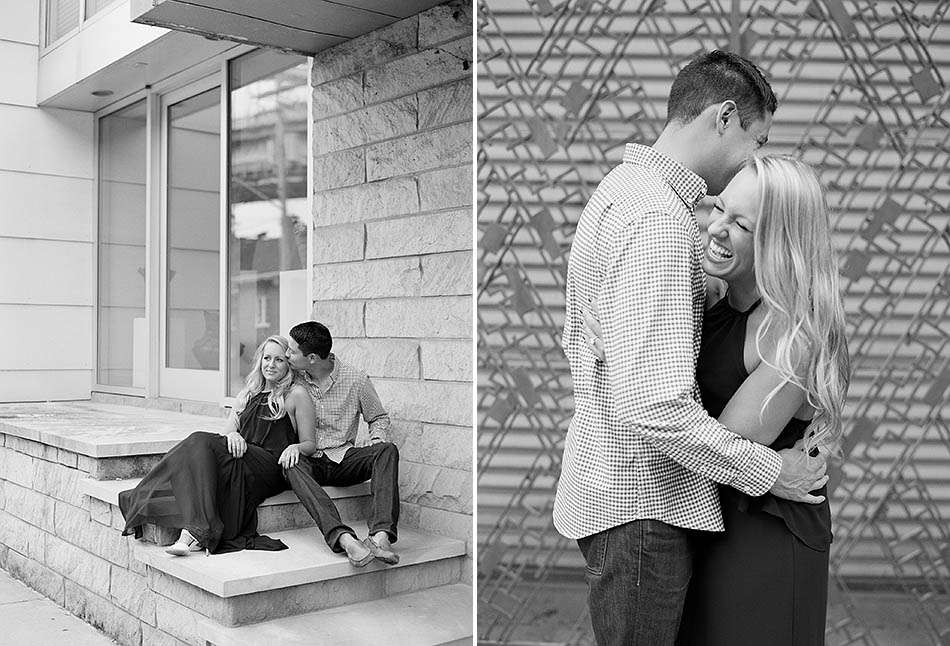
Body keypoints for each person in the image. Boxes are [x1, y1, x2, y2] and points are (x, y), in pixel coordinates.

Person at [551, 50, 830, 645]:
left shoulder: (620, 190)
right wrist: (770, 471)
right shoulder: (658, 222)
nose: (748, 163)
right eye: (755, 142)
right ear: (725, 117)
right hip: (642, 503)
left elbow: (589, 336)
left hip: (624, 496)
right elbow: (655, 406)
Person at [585, 155, 850, 644]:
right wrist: (614, 323)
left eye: (741, 223)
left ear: (778, 240)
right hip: (704, 520)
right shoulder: (710, 294)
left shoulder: (794, 333)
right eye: (719, 208)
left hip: (765, 536)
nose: (716, 228)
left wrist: (634, 355)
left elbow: (724, 443)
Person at [118, 335, 315, 555]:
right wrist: (234, 436)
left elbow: (310, 443)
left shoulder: (295, 394)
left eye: (279, 360)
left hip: (271, 467)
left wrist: (295, 447)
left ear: (288, 364)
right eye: (267, 358)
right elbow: (227, 434)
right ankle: (192, 532)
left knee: (199, 440)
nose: (271, 364)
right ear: (259, 360)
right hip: (241, 461)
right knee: (199, 447)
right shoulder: (247, 394)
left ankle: (157, 502)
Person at [283, 321, 401, 567]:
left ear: (312, 357)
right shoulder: (292, 378)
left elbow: (378, 417)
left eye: (292, 351)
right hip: (308, 459)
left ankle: (380, 538)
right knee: (290, 465)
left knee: (387, 450)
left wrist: (377, 437)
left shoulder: (356, 380)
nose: (287, 355)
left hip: (342, 458)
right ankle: (346, 539)